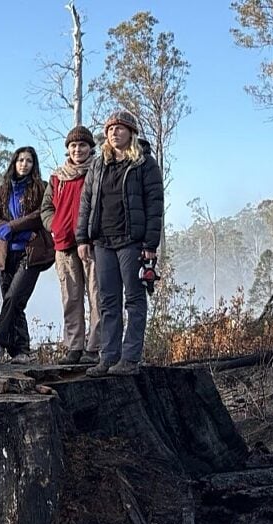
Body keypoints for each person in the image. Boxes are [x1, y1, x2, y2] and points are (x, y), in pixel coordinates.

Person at [75, 110, 164, 376]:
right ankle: (108, 357)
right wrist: (82, 238)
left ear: (131, 133)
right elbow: (86, 202)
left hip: (132, 242)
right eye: (110, 129)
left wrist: (150, 243)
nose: (114, 133)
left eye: (120, 128)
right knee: (107, 301)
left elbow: (155, 205)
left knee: (134, 300)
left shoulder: (145, 164)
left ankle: (130, 359)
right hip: (103, 242)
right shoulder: (98, 165)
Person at [41, 125, 102, 365]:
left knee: (97, 295)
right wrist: (54, 226)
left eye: (83, 145)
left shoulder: (97, 171)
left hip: (93, 242)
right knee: (71, 296)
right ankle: (74, 346)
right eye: (73, 146)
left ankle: (95, 347)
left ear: (90, 148)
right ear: (68, 149)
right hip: (64, 244)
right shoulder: (57, 176)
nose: (78, 149)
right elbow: (46, 208)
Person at [0, 147, 52, 364]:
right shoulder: (2, 191)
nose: (24, 164)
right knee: (14, 303)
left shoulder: (40, 188)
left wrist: (12, 227)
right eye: (21, 160)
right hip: (5, 254)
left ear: (34, 165)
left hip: (31, 252)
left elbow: (39, 216)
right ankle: (21, 351)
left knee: (13, 297)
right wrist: (4, 229)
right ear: (14, 163)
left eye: (29, 161)